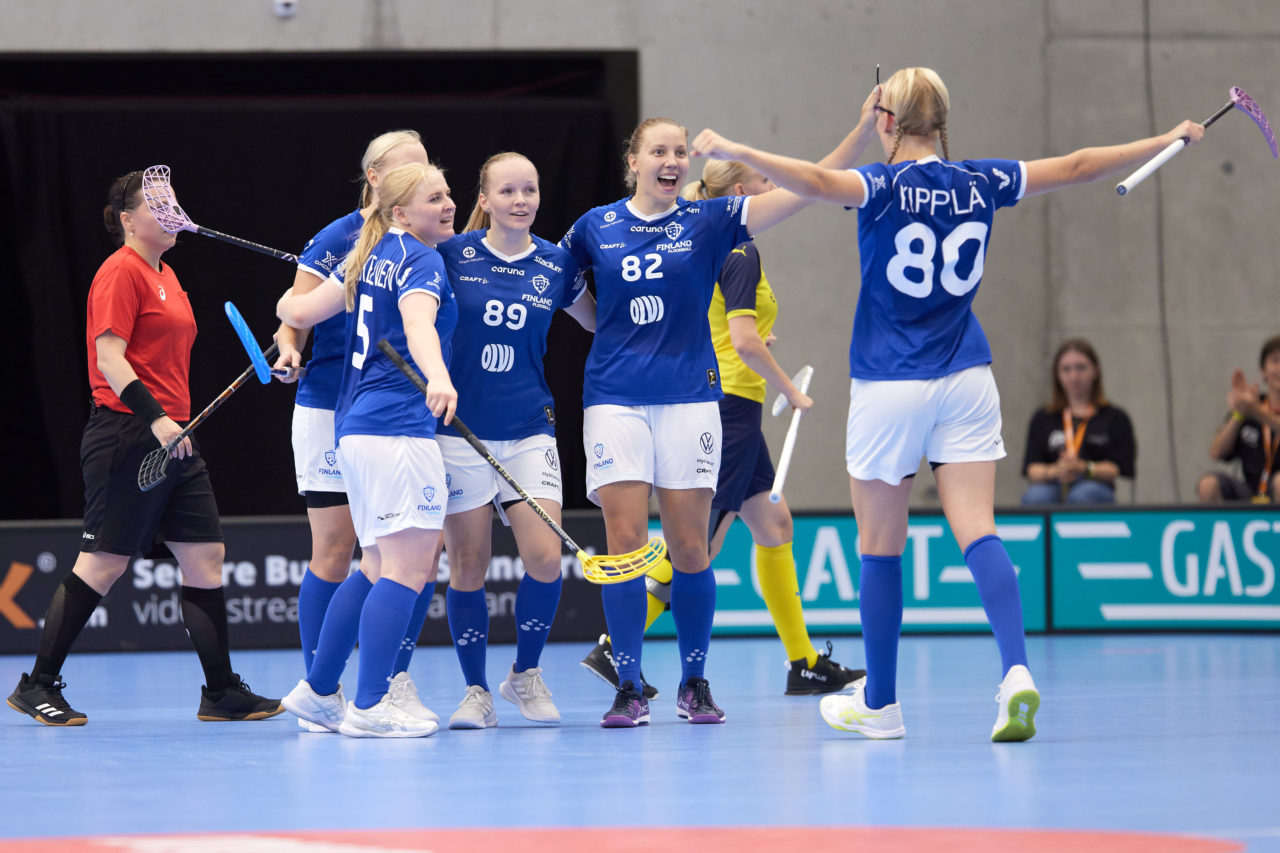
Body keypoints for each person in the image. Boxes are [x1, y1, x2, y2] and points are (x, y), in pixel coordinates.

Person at [692, 66, 1204, 741]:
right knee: (978, 527)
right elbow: (1080, 165)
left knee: (881, 544)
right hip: (967, 376)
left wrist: (742, 149)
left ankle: (882, 704)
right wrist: (1164, 137)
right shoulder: (982, 181)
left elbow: (813, 184)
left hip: (889, 382)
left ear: (887, 124)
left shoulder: (878, 186)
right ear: (944, 122)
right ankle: (1016, 669)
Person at [561, 110, 878, 727]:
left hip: (690, 400)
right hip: (615, 400)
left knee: (689, 547)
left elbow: (810, 187)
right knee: (625, 546)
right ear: (633, 162)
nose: (672, 161)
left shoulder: (710, 221)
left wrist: (860, 136)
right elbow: (572, 299)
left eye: (680, 151)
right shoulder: (593, 227)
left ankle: (694, 682)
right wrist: (615, 334)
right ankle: (628, 684)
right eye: (658, 151)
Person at [6, 171, 282, 726]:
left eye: (177, 204)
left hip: (176, 433)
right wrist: (156, 419)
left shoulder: (169, 275)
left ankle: (220, 691)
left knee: (205, 558)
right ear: (129, 220)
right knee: (103, 563)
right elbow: (111, 359)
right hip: (128, 432)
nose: (175, 213)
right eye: (161, 207)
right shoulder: (119, 272)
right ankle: (36, 684)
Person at [275, 162, 458, 738]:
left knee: (377, 565)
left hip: (354, 428)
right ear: (400, 211)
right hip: (398, 428)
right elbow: (419, 323)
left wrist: (288, 315)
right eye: (435, 197)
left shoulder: (367, 257)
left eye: (449, 193)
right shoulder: (421, 259)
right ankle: (372, 704)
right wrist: (438, 377)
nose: (449, 204)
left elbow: (296, 311)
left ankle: (319, 690)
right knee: (406, 570)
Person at [433, 152, 596, 729]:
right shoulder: (451, 257)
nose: (521, 200)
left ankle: (524, 675)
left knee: (546, 559)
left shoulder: (556, 265)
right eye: (508, 191)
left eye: (529, 189)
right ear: (484, 199)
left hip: (529, 428)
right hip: (461, 433)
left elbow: (600, 323)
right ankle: (476, 691)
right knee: (469, 568)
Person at [1021, 339, 1135, 505]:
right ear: (1057, 374)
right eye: (1066, 369)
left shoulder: (1115, 418)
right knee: (1036, 497)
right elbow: (1031, 469)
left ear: (1096, 370)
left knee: (1083, 495)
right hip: (1053, 482)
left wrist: (1084, 467)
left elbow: (1117, 468)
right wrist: (1055, 470)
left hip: (1094, 484)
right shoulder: (1043, 418)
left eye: (1081, 368)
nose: (1074, 376)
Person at [1196, 334, 1280, 503]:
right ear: (1263, 371)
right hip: (1250, 492)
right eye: (1275, 360)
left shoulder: (1254, 408)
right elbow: (1216, 452)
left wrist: (1255, 410)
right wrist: (1239, 413)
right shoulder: (1250, 408)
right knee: (1208, 484)